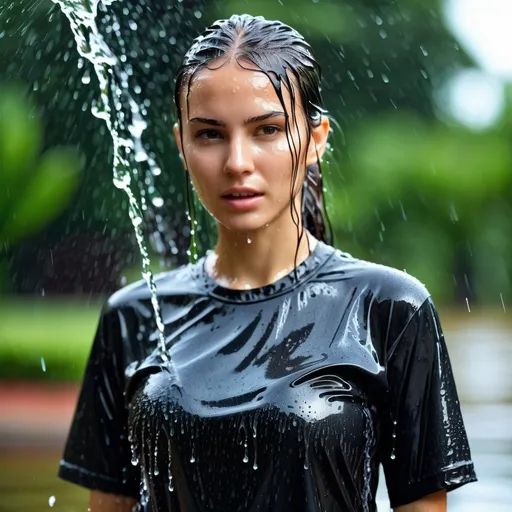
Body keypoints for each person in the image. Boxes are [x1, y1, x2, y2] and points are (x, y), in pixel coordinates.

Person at [58, 14, 477, 512]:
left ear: (316, 138)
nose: (237, 161)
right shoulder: (133, 315)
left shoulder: (389, 308)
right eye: (210, 134)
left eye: (268, 129)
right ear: (181, 145)